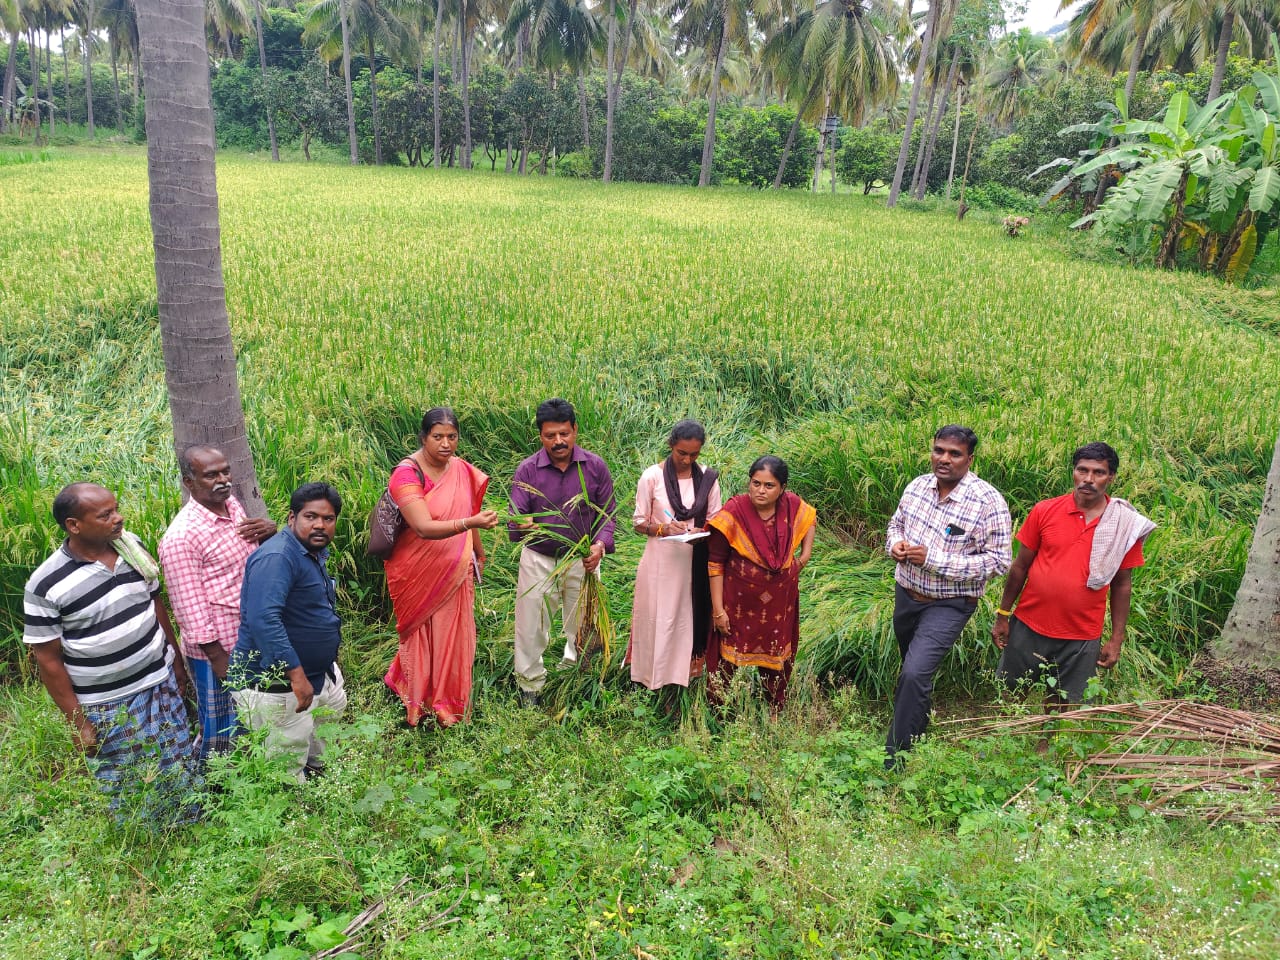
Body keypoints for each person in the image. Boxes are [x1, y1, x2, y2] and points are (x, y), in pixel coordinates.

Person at [23, 482, 198, 824]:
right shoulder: (45, 584)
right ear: (74, 525)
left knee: (176, 757)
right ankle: (143, 843)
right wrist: (79, 723)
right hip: (107, 702)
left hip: (158, 682)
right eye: (106, 515)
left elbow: (155, 604)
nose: (118, 518)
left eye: (116, 508)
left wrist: (176, 664)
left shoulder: (131, 547)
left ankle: (189, 827)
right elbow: (47, 659)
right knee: (128, 778)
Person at [884, 426, 1012, 767]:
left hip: (950, 604)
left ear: (970, 459)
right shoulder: (917, 487)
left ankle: (896, 758)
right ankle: (918, 729)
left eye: (954, 454)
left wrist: (934, 561)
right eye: (939, 450)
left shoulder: (987, 502)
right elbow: (895, 525)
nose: (944, 459)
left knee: (913, 673)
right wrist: (894, 545)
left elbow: (999, 561)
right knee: (913, 670)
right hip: (907, 594)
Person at [992, 442, 1154, 705]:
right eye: (1082, 470)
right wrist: (1003, 614)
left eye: (1098, 472)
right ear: (1073, 472)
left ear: (1111, 477)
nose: (1088, 479)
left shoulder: (1123, 525)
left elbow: (1122, 585)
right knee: (1011, 693)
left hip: (1081, 633)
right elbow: (1019, 566)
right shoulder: (1046, 510)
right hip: (1029, 624)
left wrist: (1116, 638)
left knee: (1063, 702)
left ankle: (1049, 745)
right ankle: (1007, 742)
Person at [383, 408, 499, 727]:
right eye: (438, 437)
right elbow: (421, 526)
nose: (446, 444)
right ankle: (416, 701)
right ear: (423, 438)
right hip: (416, 572)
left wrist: (477, 550)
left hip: (456, 570)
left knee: (453, 636)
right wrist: (470, 523)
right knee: (419, 635)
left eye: (452, 437)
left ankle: (446, 704)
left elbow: (469, 507)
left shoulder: (461, 470)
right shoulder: (406, 474)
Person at [159, 445, 276, 759]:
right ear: (189, 482)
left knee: (253, 714)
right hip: (219, 649)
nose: (223, 480)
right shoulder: (182, 537)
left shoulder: (231, 505)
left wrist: (270, 532)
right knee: (222, 724)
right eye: (211, 475)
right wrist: (218, 658)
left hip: (249, 635)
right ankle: (215, 786)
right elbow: (188, 605)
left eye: (225, 471)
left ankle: (255, 775)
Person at [230, 482, 348, 783]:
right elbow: (263, 620)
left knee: (321, 744)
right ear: (292, 518)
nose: (320, 525)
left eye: (328, 518)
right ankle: (292, 818)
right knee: (284, 765)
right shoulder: (278, 557)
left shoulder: (310, 551)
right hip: (278, 683)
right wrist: (296, 675)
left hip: (317, 674)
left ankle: (320, 789)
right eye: (311, 517)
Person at [508, 398, 616, 704]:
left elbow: (608, 516)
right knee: (531, 627)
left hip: (583, 560)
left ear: (575, 430)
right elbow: (515, 515)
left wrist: (599, 547)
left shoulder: (595, 467)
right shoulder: (528, 469)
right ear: (540, 435)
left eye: (564, 434)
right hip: (539, 559)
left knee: (583, 624)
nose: (558, 441)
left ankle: (576, 677)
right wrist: (523, 522)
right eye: (550, 435)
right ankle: (530, 687)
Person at [707, 456, 816, 712]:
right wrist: (718, 610)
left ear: (782, 488)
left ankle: (773, 710)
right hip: (738, 605)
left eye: (769, 486)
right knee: (727, 662)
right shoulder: (734, 511)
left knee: (776, 660)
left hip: (780, 603)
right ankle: (719, 714)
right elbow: (715, 563)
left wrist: (804, 558)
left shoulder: (791, 506)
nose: (760, 491)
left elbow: (809, 518)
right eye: (756, 483)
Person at [629, 420, 722, 692]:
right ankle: (649, 678)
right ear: (671, 445)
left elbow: (716, 520)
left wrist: (699, 530)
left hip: (694, 560)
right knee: (656, 616)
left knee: (686, 617)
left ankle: (685, 678)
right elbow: (638, 523)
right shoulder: (652, 477)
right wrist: (663, 528)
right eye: (682, 453)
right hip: (660, 560)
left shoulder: (707, 478)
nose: (687, 459)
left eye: (694, 454)